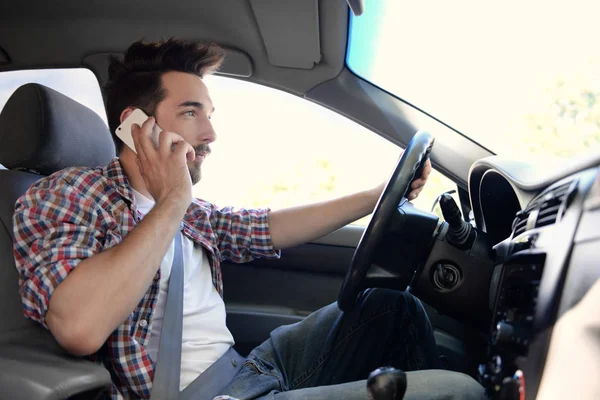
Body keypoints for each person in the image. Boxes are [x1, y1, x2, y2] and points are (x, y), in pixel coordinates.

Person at [12, 39, 484, 399]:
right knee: (458, 393)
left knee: (391, 308)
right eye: (190, 112)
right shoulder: (70, 193)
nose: (211, 132)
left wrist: (376, 196)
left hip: (248, 368)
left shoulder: (193, 212)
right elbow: (78, 326)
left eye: (210, 114)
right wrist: (171, 200)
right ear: (137, 124)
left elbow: (266, 226)